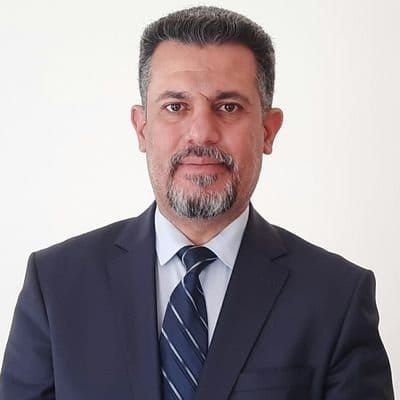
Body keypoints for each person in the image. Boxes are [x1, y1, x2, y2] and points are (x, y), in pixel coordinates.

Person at [0, 6, 394, 400]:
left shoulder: (336, 297)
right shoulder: (55, 286)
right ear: (142, 128)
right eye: (175, 106)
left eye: (228, 107)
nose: (201, 133)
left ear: (268, 130)